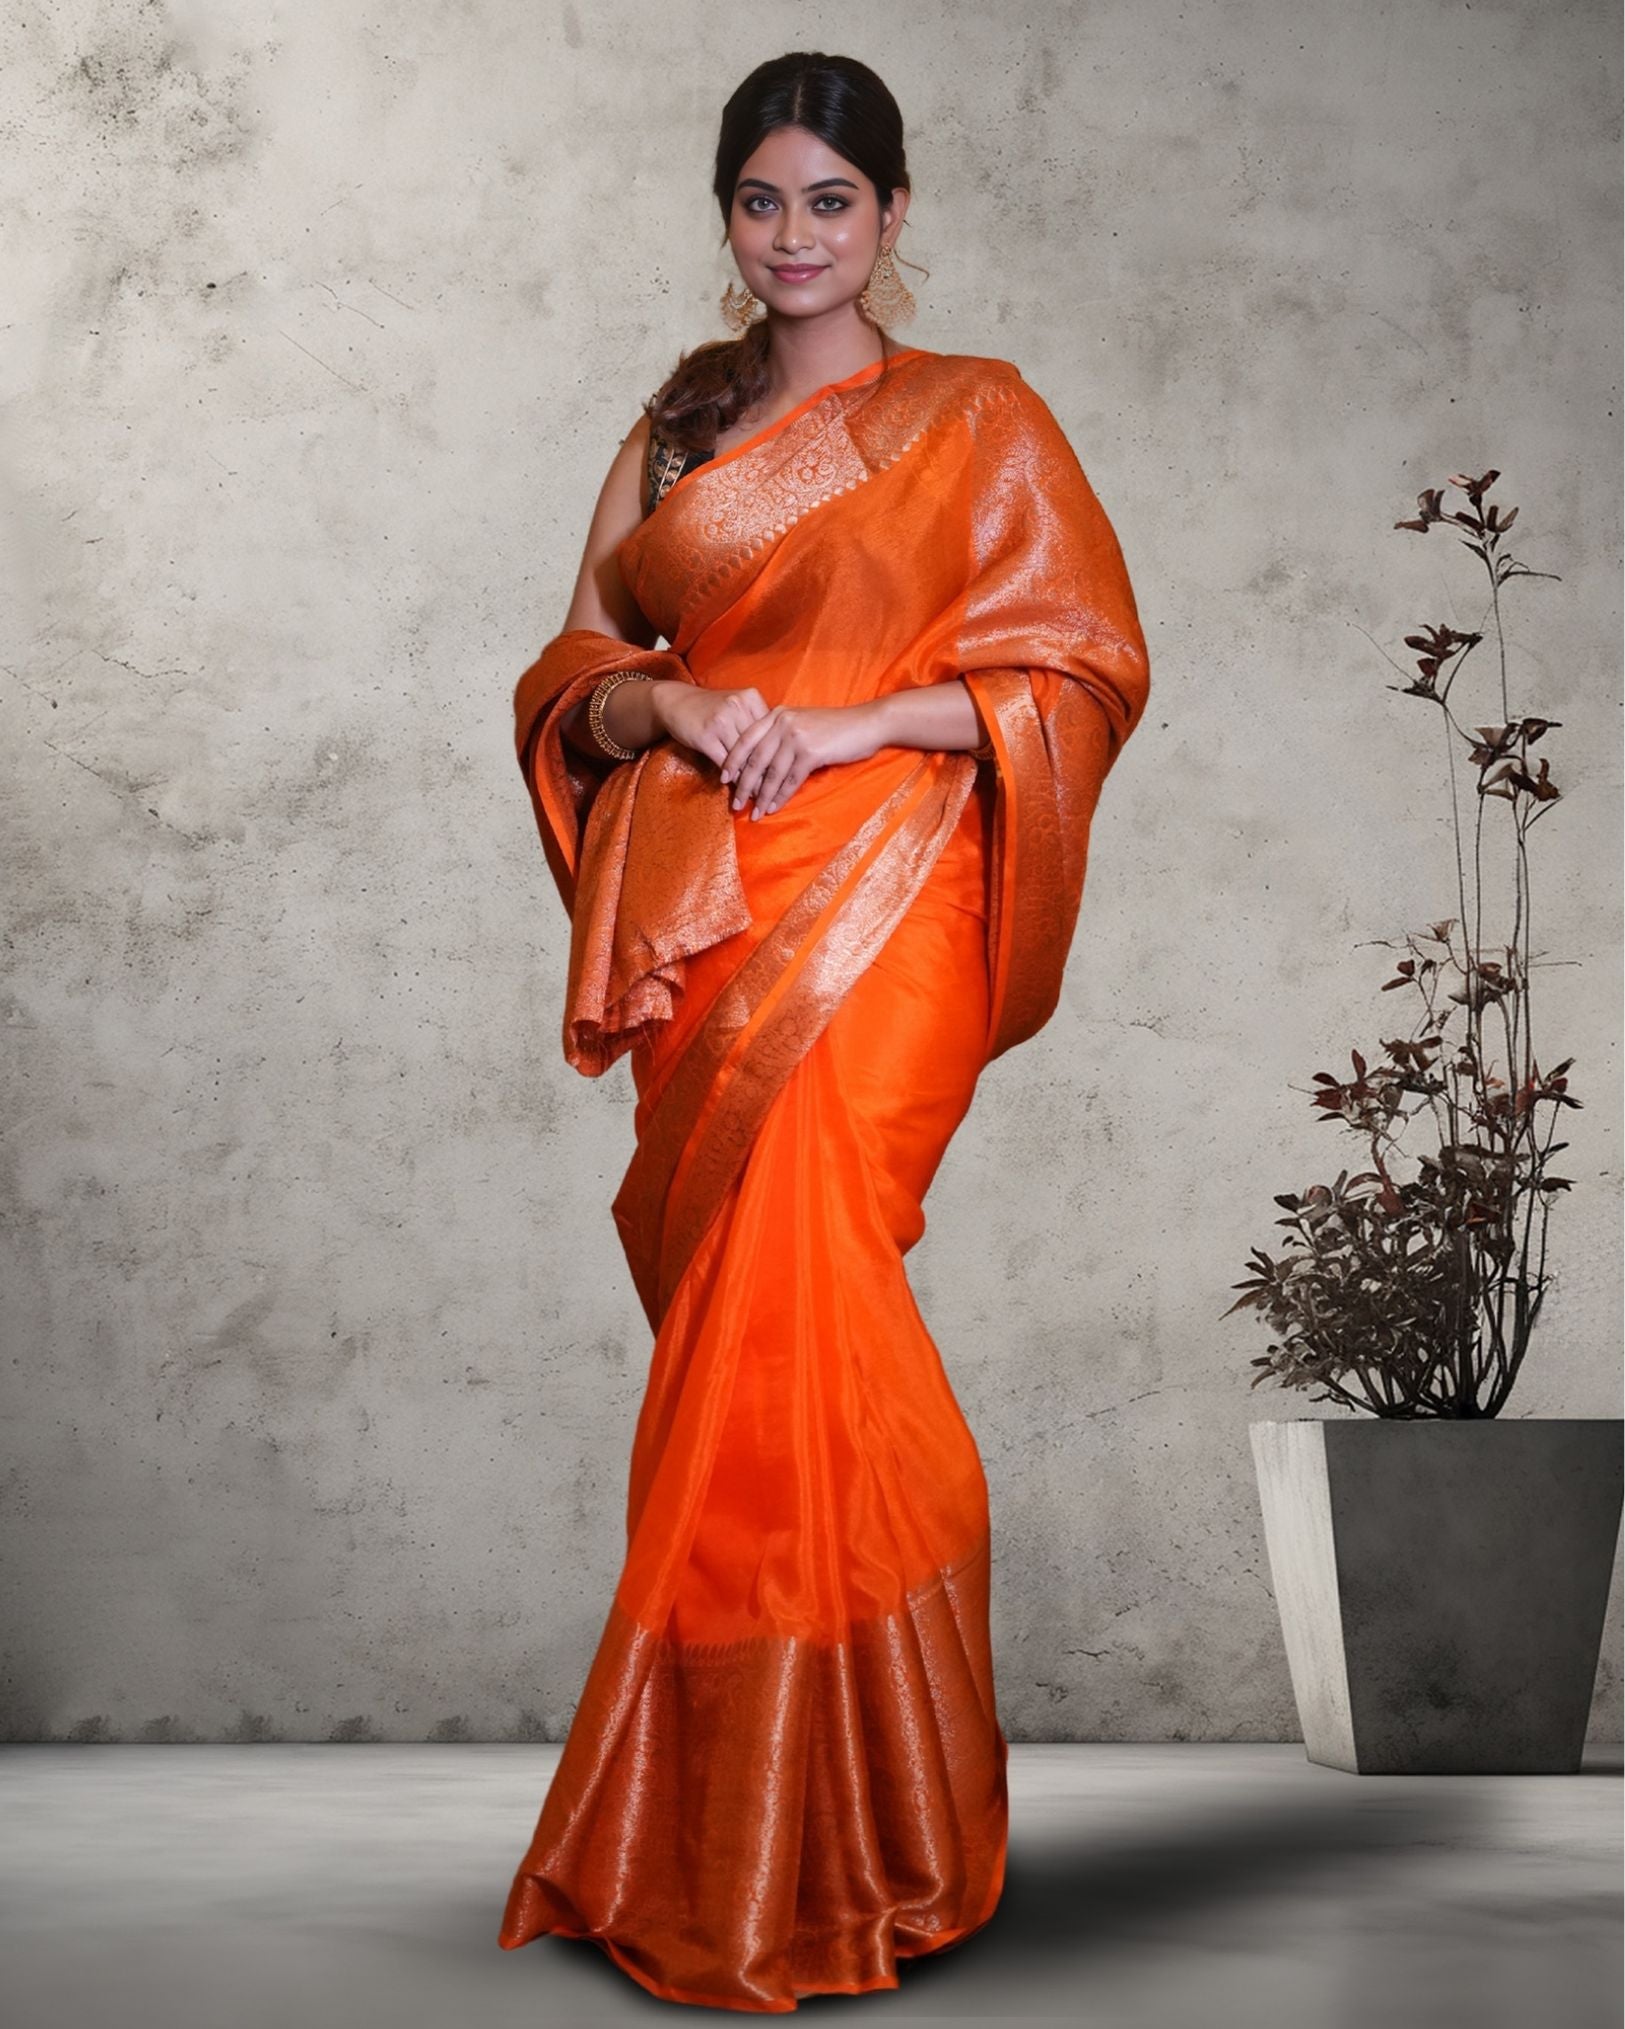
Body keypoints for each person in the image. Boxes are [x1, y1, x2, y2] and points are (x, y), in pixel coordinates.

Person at [496, 48, 1151, 2014]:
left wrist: (858, 720)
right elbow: (576, 669)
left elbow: (1079, 668)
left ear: (893, 212)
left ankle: (854, 1820)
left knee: (812, 1274)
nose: (796, 236)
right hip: (715, 906)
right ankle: (759, 1828)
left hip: (894, 900)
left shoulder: (977, 416)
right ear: (729, 215)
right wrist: (683, 707)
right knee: (753, 1336)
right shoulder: (676, 432)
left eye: (832, 201)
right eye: (763, 201)